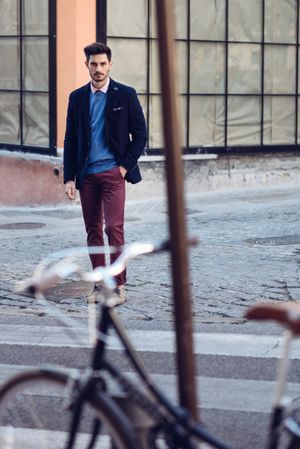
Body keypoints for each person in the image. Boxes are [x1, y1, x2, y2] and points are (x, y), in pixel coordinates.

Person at [63, 42, 147, 305]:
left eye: (102, 64)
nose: (98, 69)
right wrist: (69, 177)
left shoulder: (126, 94)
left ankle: (119, 284)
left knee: (114, 228)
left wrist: (123, 167)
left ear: (110, 64)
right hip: (87, 176)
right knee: (93, 231)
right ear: (86, 65)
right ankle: (100, 283)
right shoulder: (77, 98)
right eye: (93, 64)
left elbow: (140, 135)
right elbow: (71, 139)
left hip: (113, 174)